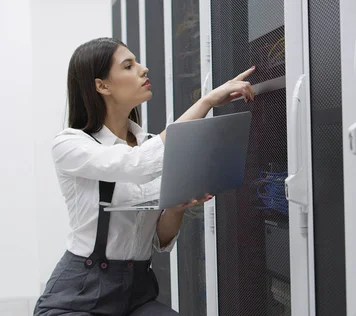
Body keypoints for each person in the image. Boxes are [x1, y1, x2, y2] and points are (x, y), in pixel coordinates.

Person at [33, 37, 255, 315]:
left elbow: (158, 242)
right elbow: (136, 164)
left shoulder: (151, 144)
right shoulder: (70, 145)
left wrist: (176, 206)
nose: (143, 69)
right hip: (79, 295)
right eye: (128, 66)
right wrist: (207, 102)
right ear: (102, 86)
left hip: (136, 292)